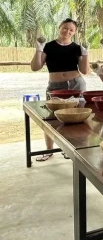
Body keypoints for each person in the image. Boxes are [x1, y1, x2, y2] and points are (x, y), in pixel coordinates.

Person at [30, 18, 89, 161]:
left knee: (75, 117)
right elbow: (35, 67)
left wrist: (86, 53)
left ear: (74, 33)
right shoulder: (48, 46)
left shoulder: (76, 48)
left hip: (76, 84)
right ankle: (48, 151)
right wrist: (39, 48)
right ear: (59, 27)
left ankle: (70, 148)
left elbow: (84, 70)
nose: (67, 32)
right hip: (55, 87)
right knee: (50, 117)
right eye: (65, 28)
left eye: (71, 30)